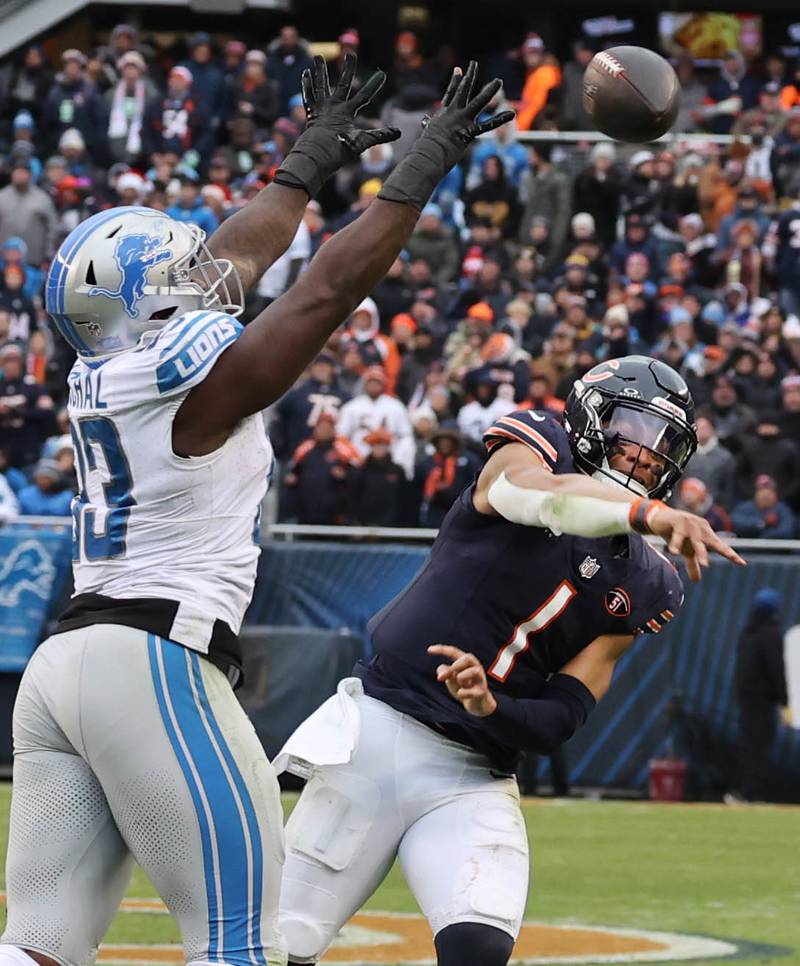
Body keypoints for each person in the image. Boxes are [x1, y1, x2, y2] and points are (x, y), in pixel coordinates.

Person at [1, 53, 511, 966]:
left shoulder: (107, 365)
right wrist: (422, 165)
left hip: (63, 671)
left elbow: (238, 255)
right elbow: (322, 291)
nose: (207, 274)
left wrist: (308, 157)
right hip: (154, 662)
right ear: (153, 303)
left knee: (38, 947)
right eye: (181, 273)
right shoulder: (193, 391)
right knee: (240, 942)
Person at [276, 356, 744, 966]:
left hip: (475, 773)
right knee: (281, 945)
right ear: (591, 415)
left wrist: (491, 703)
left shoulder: (651, 584)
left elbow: (560, 717)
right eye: (635, 428)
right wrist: (647, 514)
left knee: (479, 948)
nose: (645, 455)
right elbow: (540, 499)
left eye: (665, 445)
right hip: (379, 734)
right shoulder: (538, 447)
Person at [730, 589, 789, 803]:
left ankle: (746, 790)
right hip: (763, 702)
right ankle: (753, 793)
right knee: (760, 747)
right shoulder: (771, 634)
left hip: (747, 701)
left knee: (749, 746)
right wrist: (784, 700)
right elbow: (776, 669)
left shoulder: (747, 633)